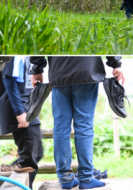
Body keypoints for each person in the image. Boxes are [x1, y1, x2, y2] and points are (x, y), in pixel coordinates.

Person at [29, 56, 124, 190]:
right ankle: (86, 178)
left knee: (61, 127)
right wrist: (116, 64)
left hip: (59, 72)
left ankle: (65, 178)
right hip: (87, 69)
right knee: (84, 126)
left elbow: (38, 41)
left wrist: (37, 68)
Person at [0, 56, 43, 189]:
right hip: (21, 111)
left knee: (36, 154)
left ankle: (4, 176)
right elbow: (8, 80)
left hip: (29, 109)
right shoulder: (12, 55)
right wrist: (19, 112)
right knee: (28, 162)